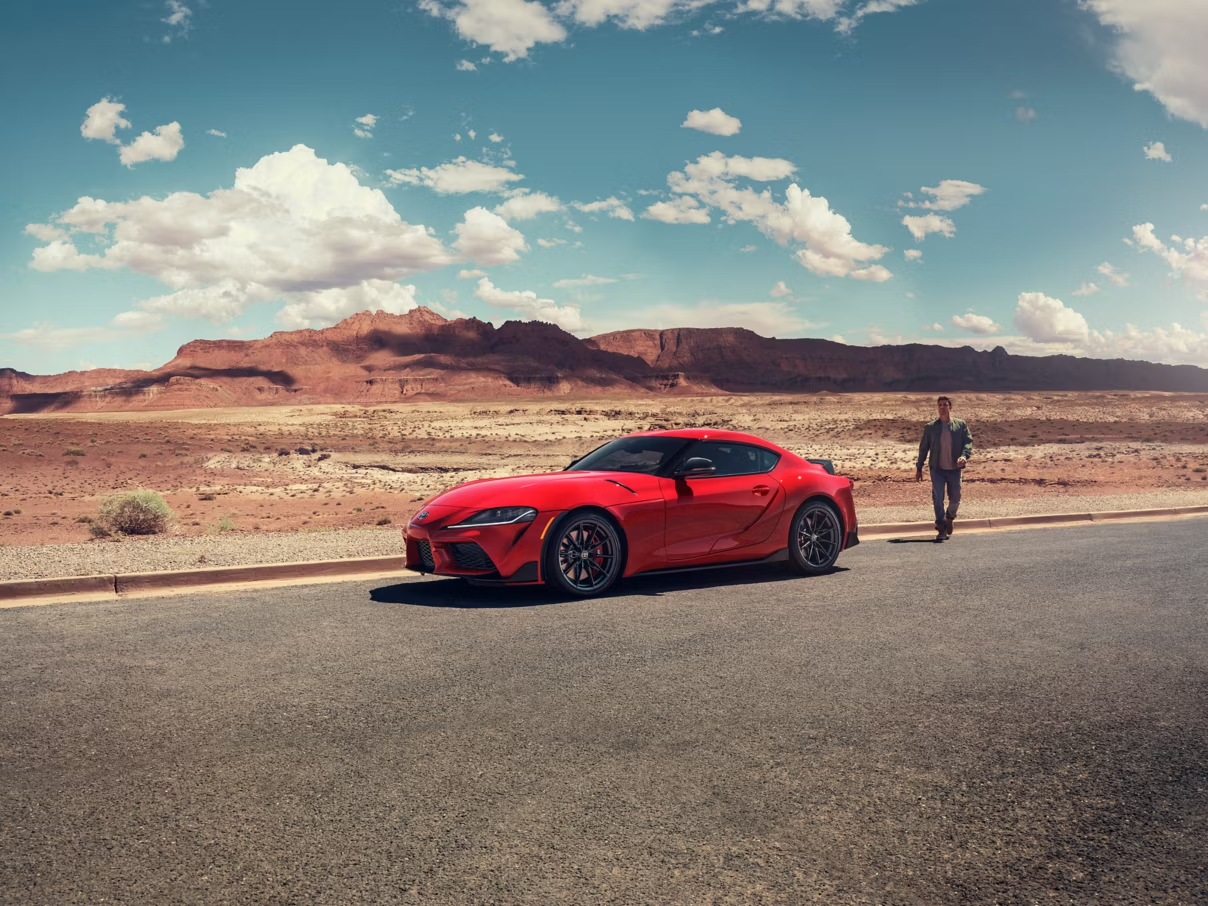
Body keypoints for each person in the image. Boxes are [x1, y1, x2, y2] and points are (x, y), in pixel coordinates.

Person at [915, 396, 972, 540]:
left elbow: (968, 442)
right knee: (938, 497)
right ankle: (941, 527)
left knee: (956, 498)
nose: (942, 407)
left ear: (950, 407)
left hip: (954, 469)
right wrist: (919, 467)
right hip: (937, 469)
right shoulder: (931, 427)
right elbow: (924, 448)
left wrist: (964, 456)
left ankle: (950, 518)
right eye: (940, 405)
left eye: (945, 404)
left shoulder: (960, 425)